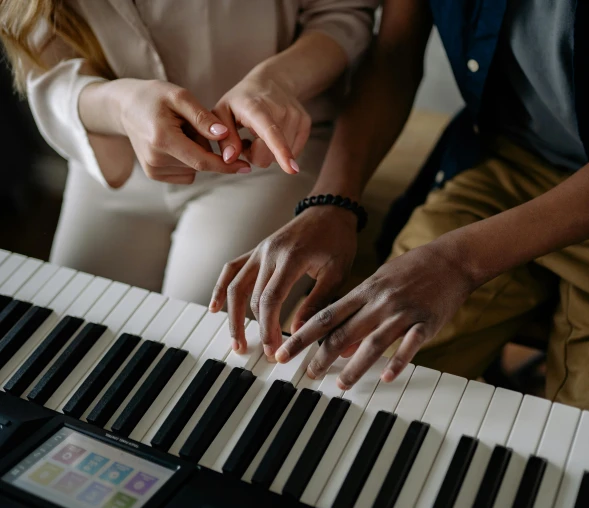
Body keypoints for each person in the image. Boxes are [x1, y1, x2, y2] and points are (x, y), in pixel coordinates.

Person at [212, 0, 589, 437]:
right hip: (505, 161)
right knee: (359, 389)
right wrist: (332, 201)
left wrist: (455, 260)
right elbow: (394, 56)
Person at [0, 0, 377, 309]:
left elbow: (341, 13)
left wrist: (277, 80)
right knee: (71, 323)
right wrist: (120, 107)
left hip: (261, 157)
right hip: (111, 156)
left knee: (202, 334)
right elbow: (45, 63)